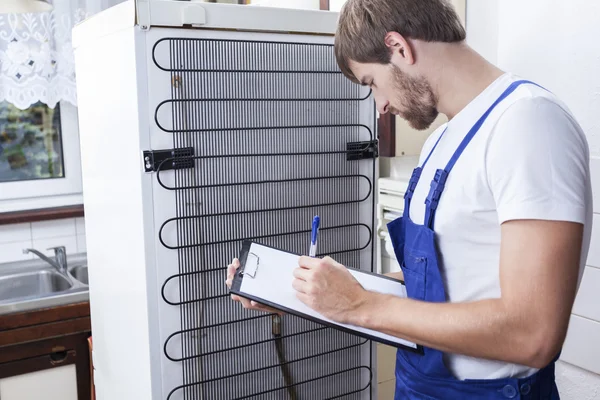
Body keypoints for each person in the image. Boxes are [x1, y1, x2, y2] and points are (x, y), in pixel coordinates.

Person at [225, 0, 593, 398]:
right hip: (421, 385)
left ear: (399, 47)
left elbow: (532, 334)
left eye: (370, 82)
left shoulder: (527, 124)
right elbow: (440, 281)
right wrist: (312, 296)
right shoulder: (441, 140)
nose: (379, 104)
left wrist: (358, 305)